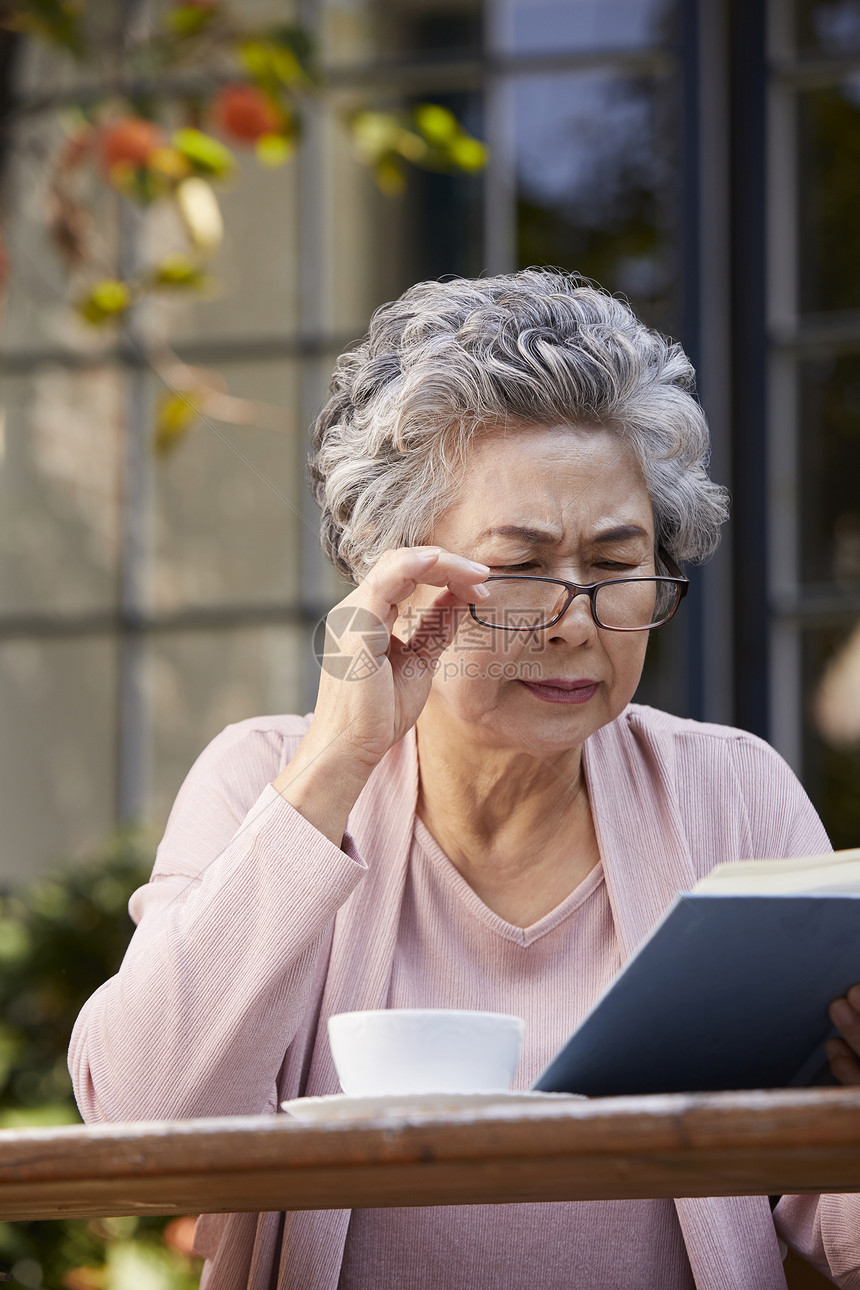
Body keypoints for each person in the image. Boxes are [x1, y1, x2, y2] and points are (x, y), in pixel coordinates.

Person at [70, 270, 860, 1290]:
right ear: (398, 577)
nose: (575, 617)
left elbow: (830, 1225)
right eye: (520, 566)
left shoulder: (729, 792)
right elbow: (143, 1121)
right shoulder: (267, 779)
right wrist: (336, 756)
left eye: (615, 562)